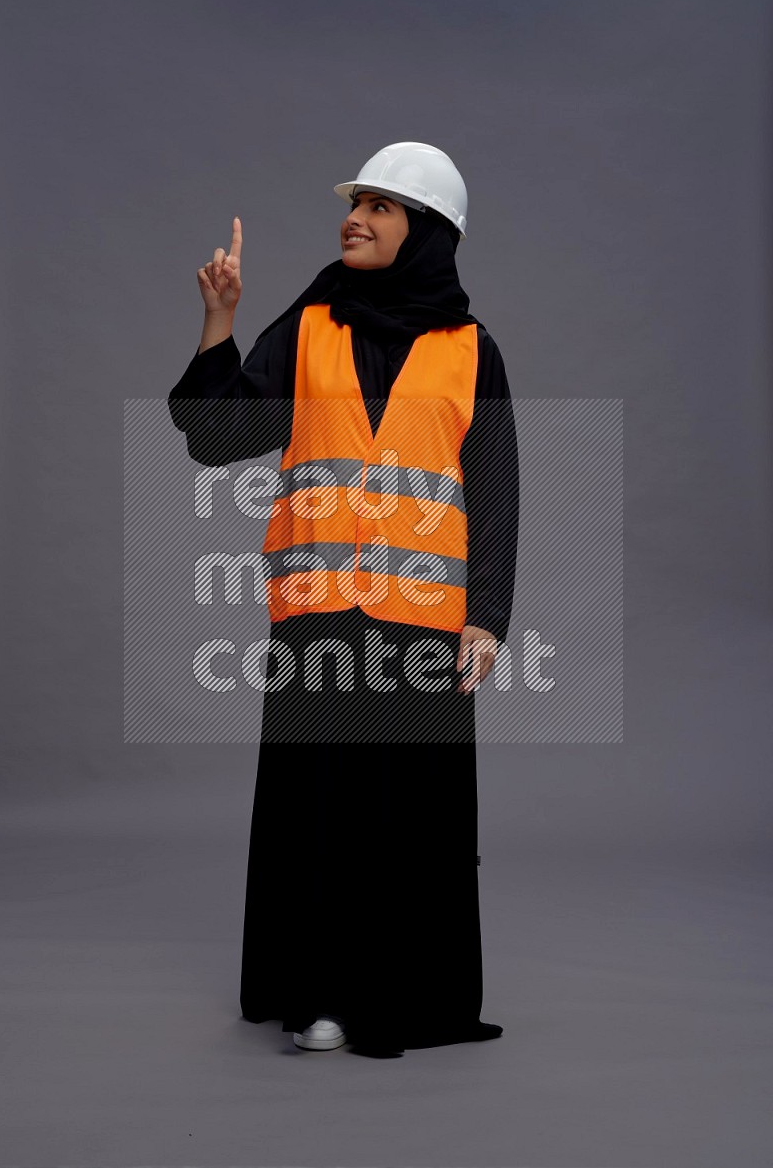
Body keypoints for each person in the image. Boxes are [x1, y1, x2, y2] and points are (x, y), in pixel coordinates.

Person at [168, 141, 520, 1057]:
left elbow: (495, 486)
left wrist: (487, 615)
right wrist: (220, 323)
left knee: (413, 820)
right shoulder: (311, 322)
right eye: (354, 201)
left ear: (428, 230)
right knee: (319, 812)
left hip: (426, 625)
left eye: (380, 205)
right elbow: (218, 436)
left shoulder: (472, 350)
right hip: (319, 614)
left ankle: (405, 996)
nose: (354, 217)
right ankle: (318, 994)